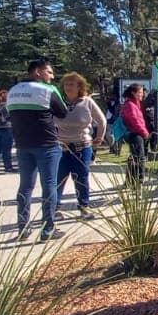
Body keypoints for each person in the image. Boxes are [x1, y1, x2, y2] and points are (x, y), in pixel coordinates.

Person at [8, 60, 69, 242]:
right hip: (47, 144)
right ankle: (47, 229)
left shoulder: (13, 91)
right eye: (49, 72)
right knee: (49, 185)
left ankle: (23, 228)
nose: (52, 76)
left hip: (23, 145)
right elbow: (63, 113)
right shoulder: (47, 90)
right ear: (37, 72)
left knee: (25, 186)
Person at [55, 72, 106, 220]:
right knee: (59, 178)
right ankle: (55, 209)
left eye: (72, 84)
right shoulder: (59, 102)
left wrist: (99, 137)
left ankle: (84, 208)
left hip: (82, 146)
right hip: (61, 147)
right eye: (66, 84)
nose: (68, 87)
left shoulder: (87, 102)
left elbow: (101, 120)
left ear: (80, 87)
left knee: (81, 178)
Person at [120, 83, 152, 182]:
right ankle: (139, 180)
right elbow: (135, 121)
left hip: (136, 133)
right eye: (140, 92)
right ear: (133, 93)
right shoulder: (130, 105)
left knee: (134, 157)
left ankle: (130, 181)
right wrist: (145, 133)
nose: (142, 94)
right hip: (134, 134)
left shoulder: (135, 104)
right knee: (139, 157)